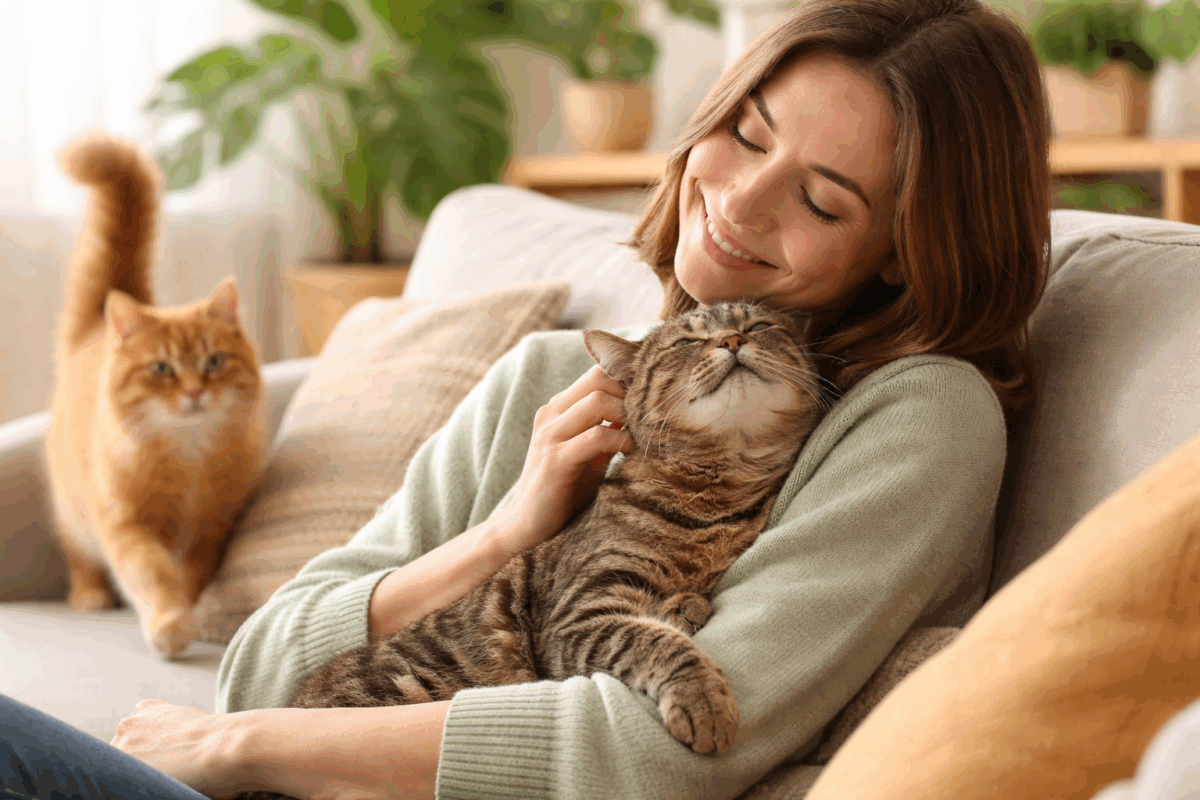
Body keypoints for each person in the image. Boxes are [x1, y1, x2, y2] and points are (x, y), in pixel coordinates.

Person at [1, 0, 1051, 797]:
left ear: (906, 250)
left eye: (820, 200)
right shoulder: (550, 380)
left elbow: (667, 744)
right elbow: (262, 663)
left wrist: (245, 745)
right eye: (745, 132)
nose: (738, 199)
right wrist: (503, 531)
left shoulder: (917, 418)